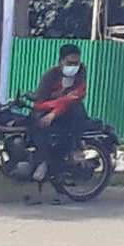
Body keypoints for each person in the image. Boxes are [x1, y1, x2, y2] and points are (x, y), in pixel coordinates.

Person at [31, 44, 87, 181]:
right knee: (36, 123)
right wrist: (55, 109)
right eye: (69, 63)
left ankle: (75, 147)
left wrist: (54, 114)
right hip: (48, 107)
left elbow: (76, 96)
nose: (73, 66)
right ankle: (43, 161)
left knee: (77, 111)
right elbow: (40, 101)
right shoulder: (50, 75)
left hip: (71, 109)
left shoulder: (81, 72)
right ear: (61, 61)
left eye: (76, 63)